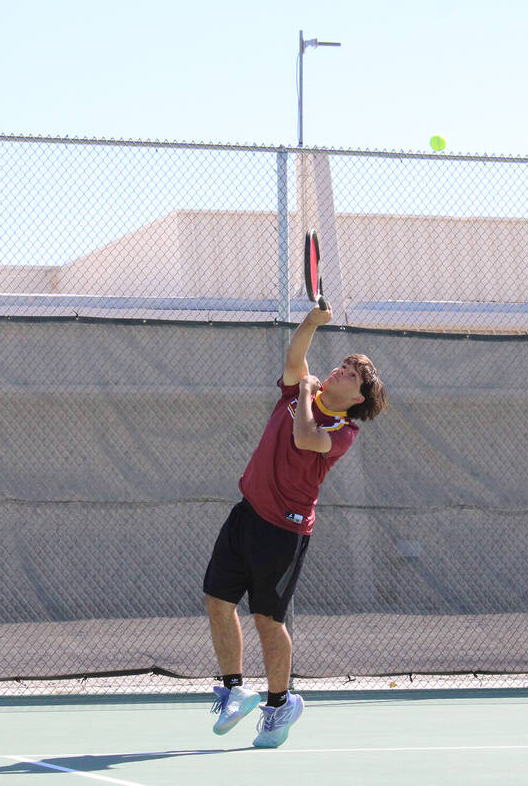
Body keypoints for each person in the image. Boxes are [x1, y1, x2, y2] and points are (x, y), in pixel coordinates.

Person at [202, 303, 388, 748]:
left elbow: (305, 437)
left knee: (267, 619)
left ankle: (280, 702)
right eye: (341, 365)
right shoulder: (296, 390)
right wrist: (312, 322)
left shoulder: (343, 430)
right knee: (216, 600)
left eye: (349, 375)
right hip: (246, 513)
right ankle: (232, 689)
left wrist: (304, 393)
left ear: (357, 397)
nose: (339, 371)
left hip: (284, 531)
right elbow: (295, 358)